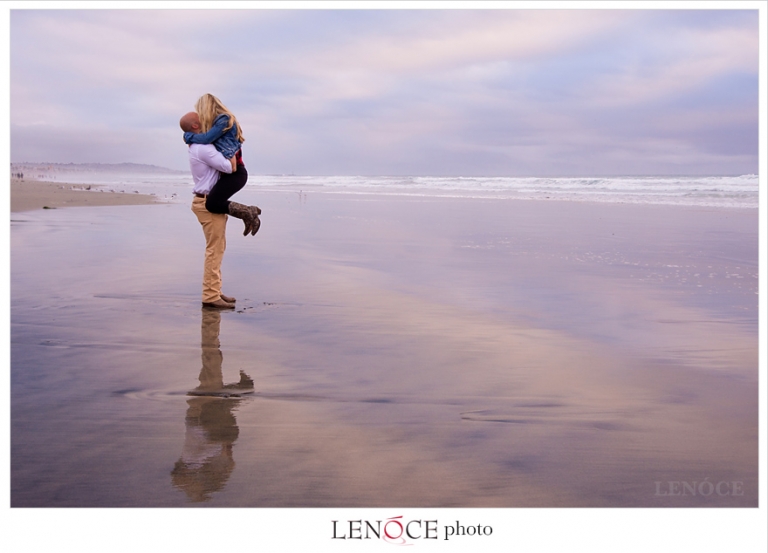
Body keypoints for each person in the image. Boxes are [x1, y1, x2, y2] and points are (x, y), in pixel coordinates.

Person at [180, 111, 240, 309]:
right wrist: (231, 153)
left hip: (206, 201)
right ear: (196, 126)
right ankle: (210, 295)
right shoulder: (202, 148)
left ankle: (215, 290)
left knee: (218, 248)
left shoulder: (198, 146)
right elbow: (229, 167)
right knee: (214, 250)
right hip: (207, 203)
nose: (208, 122)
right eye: (203, 120)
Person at [183, 93, 261, 236]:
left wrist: (189, 136)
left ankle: (248, 212)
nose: (200, 116)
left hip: (236, 173)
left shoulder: (224, 120)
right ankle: (248, 212)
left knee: (212, 204)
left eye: (200, 112)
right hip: (231, 173)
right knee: (214, 203)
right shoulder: (219, 124)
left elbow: (207, 139)